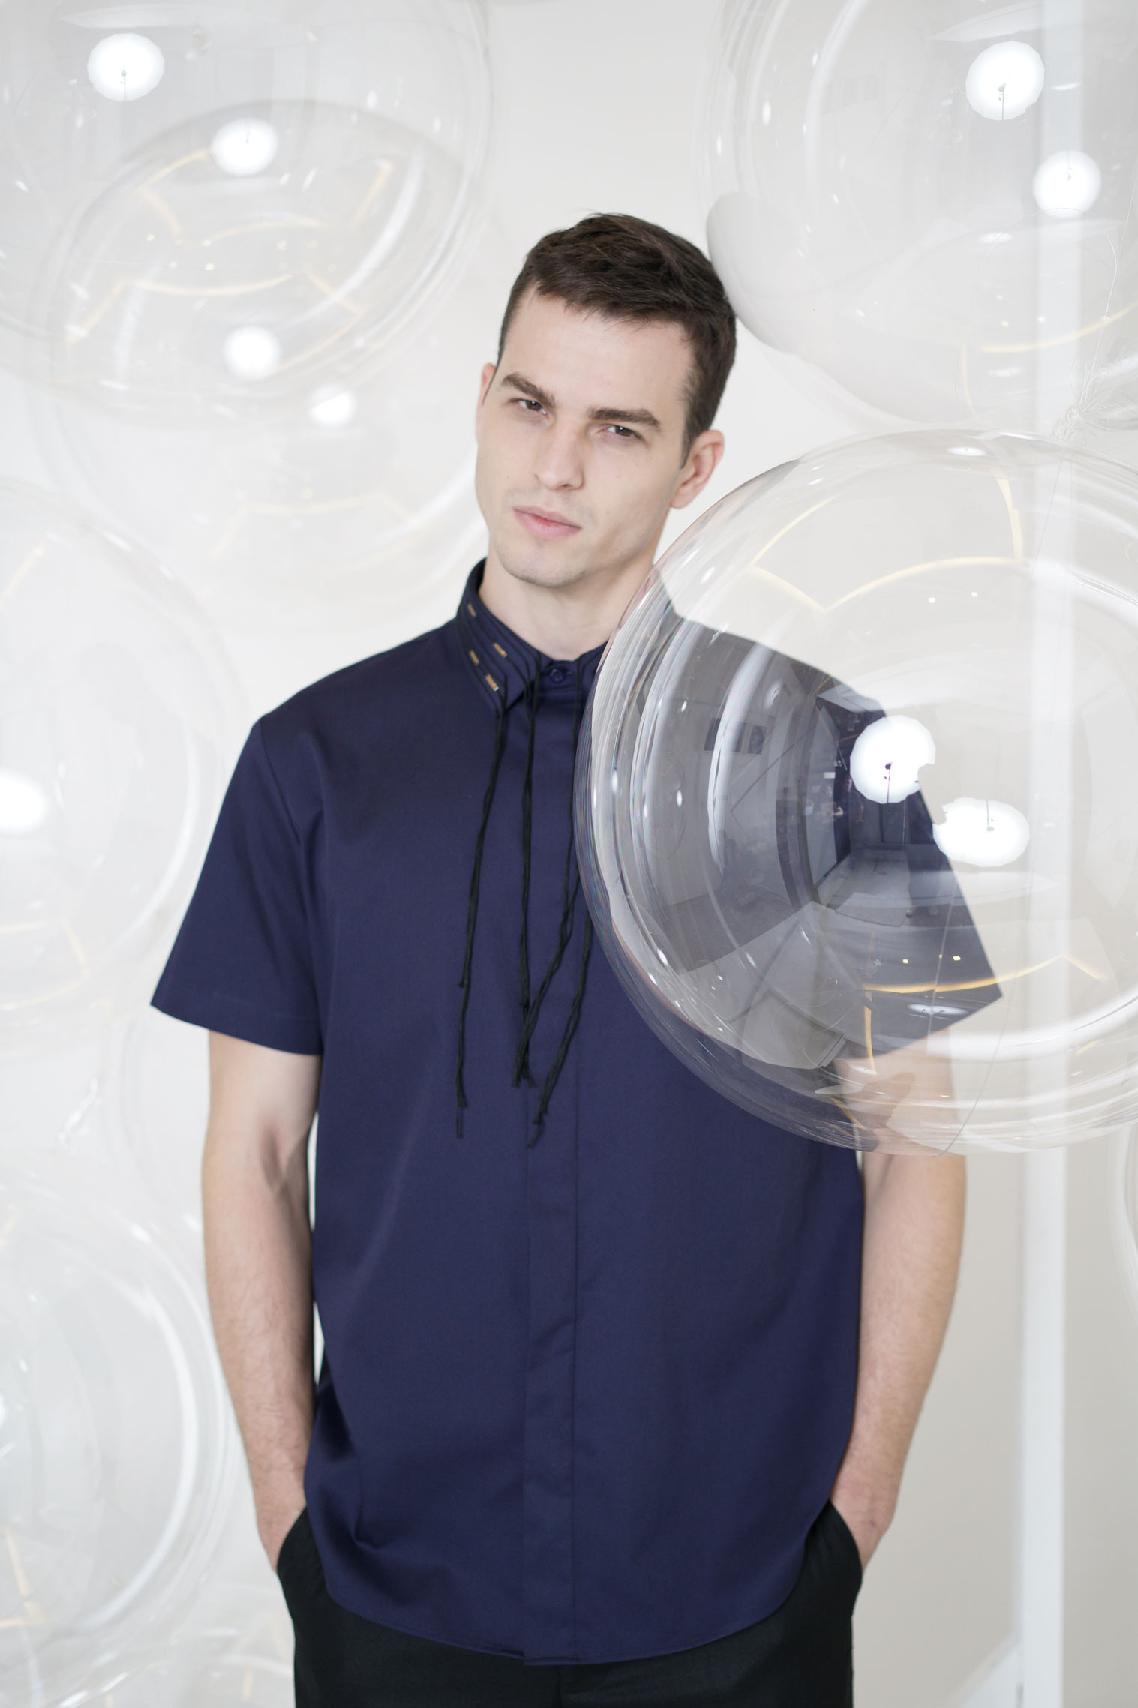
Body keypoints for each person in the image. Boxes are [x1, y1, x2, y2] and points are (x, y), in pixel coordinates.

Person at [150, 213, 1000, 1706]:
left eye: (618, 429)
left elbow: (914, 1137)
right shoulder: (312, 764)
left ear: (695, 464)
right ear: (483, 397)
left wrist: (853, 1516)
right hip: (393, 1587)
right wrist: (292, 1526)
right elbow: (255, 1152)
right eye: (530, 405)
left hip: (742, 1589)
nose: (555, 467)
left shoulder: (827, 758)